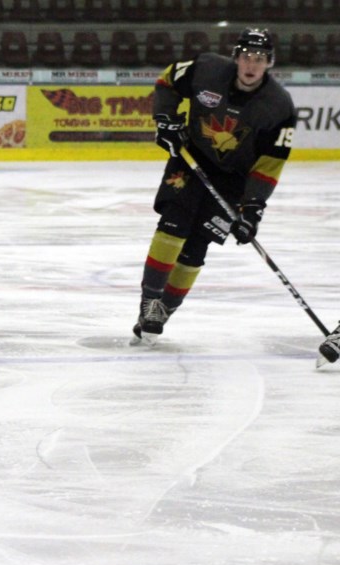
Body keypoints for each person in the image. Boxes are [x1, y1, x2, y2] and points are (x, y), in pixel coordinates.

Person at [132, 27, 297, 345]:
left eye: (260, 59)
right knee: (172, 227)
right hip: (190, 160)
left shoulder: (279, 107)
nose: (252, 65)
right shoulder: (206, 68)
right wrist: (165, 119)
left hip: (234, 180)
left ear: (269, 64)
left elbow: (268, 166)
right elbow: (168, 81)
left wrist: (252, 211)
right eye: (247, 57)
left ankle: (165, 308)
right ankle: (149, 302)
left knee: (196, 248)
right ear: (236, 58)